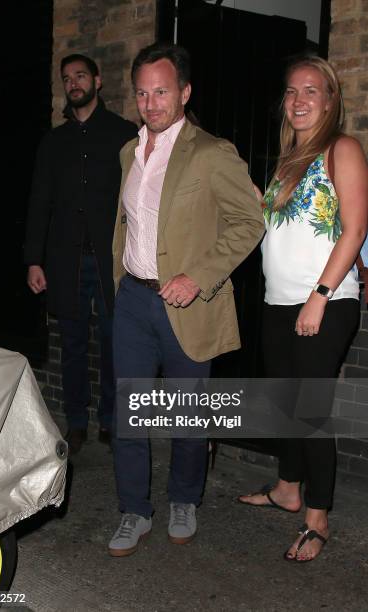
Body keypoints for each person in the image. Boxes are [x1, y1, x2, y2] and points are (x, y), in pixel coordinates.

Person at [108, 42, 264, 557]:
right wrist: (120, 283)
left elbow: (250, 221)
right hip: (133, 300)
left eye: (162, 91)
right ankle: (133, 509)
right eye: (142, 93)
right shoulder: (129, 152)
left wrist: (199, 276)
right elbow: (126, 224)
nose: (151, 103)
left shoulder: (210, 152)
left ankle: (183, 499)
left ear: (184, 92)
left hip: (186, 305)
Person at [238, 56, 368, 562]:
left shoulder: (343, 149)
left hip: (325, 301)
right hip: (277, 302)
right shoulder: (289, 161)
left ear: (331, 100)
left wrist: (320, 296)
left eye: (311, 91)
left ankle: (318, 519)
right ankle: (288, 488)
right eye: (291, 91)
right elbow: (276, 228)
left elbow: (354, 228)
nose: (298, 100)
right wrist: (252, 196)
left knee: (311, 414)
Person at [24, 54, 138, 454]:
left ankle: (109, 420)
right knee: (71, 345)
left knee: (113, 343)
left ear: (97, 80)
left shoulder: (126, 134)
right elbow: (40, 201)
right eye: (67, 78)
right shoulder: (54, 142)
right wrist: (33, 259)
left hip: (112, 262)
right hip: (64, 261)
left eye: (80, 76)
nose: (73, 83)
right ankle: (76, 421)